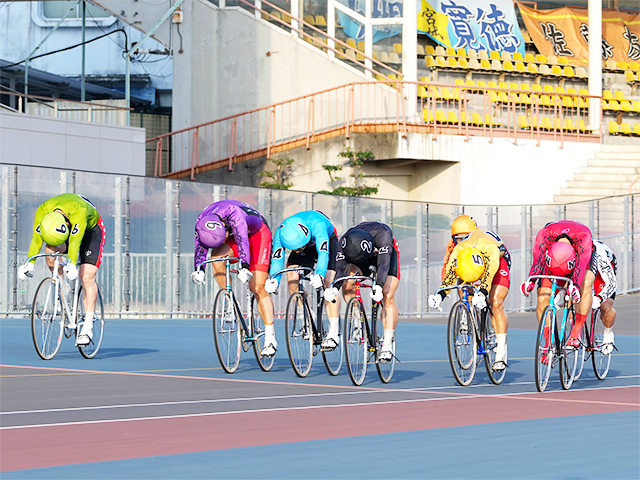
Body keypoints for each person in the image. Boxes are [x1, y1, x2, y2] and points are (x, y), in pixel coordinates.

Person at [18, 193, 106, 346]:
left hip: (91, 231)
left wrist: (72, 264)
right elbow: (36, 238)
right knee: (50, 253)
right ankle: (62, 288)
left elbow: (74, 242)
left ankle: (88, 326)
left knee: (86, 276)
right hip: (65, 227)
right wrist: (29, 263)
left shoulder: (79, 210)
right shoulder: (43, 210)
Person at [190, 200, 276, 357]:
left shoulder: (234, 214)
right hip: (232, 235)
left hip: (256, 234)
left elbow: (243, 240)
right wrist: (199, 269)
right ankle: (228, 301)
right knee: (216, 257)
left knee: (257, 287)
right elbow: (200, 247)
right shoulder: (201, 221)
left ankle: (270, 338)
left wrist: (244, 266)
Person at [429, 229, 512, 371]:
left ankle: (501, 351)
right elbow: (449, 276)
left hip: (499, 260)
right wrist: (440, 295)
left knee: (496, 301)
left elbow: (489, 273)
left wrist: (483, 292)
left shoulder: (490, 250)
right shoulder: (458, 251)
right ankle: (471, 320)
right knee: (464, 287)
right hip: (468, 261)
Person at [266, 210, 343, 351]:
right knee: (292, 277)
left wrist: (319, 274)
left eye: (298, 248)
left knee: (328, 280)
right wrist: (274, 279)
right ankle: (307, 313)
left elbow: (323, 253)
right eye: (293, 249)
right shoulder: (282, 231)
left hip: (327, 240)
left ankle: (333, 333)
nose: (295, 251)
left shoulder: (318, 225)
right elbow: (277, 258)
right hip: (305, 244)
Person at [327, 222, 400, 362]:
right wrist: (334, 288)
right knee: (348, 284)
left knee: (387, 294)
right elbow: (341, 270)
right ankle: (357, 319)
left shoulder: (384, 237)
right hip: (358, 256)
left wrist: (378, 285)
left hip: (383, 255)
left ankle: (387, 344)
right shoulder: (344, 241)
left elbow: (384, 265)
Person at [521, 220, 593, 348]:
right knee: (543, 297)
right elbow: (538, 260)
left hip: (581, 259)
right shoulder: (545, 235)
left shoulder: (584, 238)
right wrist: (530, 281)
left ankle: (577, 329)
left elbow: (581, 266)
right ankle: (548, 342)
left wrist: (575, 286)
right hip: (554, 261)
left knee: (586, 283)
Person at [591, 240, 618, 354]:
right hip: (585, 265)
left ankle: (608, 334)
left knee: (605, 306)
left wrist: (599, 298)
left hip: (604, 265)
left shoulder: (600, 255)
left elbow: (611, 283)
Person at [442, 215, 478, 280]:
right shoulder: (452, 244)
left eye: (466, 237)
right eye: (459, 238)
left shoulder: (483, 242)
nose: (463, 242)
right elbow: (446, 266)